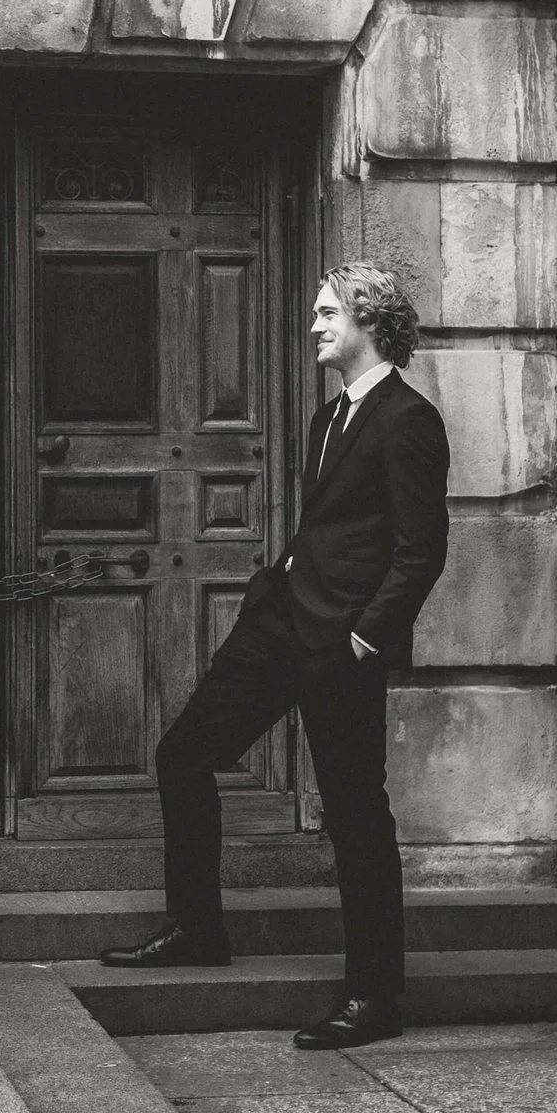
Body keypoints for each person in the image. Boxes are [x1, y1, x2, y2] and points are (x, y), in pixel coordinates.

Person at [99, 262, 449, 1050]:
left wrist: (364, 637)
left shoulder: (408, 420)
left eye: (329, 313)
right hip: (283, 624)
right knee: (183, 755)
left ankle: (373, 996)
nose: (316, 326)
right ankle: (197, 930)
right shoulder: (330, 418)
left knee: (356, 814)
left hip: (342, 646)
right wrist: (283, 581)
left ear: (370, 319)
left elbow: (419, 551)